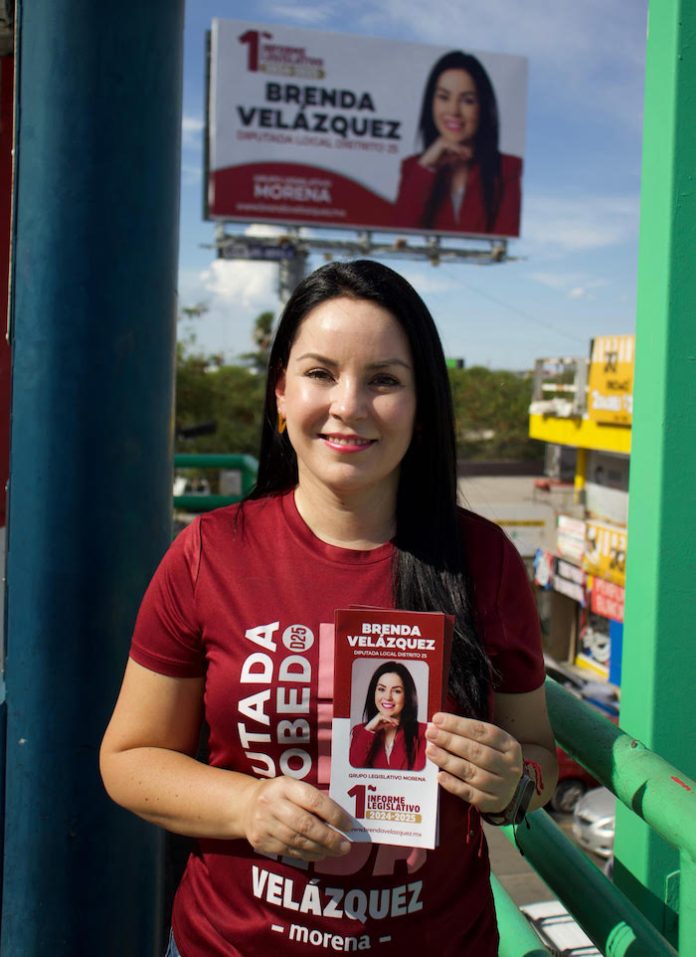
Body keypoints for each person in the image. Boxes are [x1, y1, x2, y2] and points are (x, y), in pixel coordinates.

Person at [100, 259, 558, 956]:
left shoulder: (486, 560)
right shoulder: (207, 553)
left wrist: (512, 782)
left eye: (384, 380)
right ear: (281, 395)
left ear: (422, 407)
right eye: (320, 373)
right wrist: (247, 806)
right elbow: (129, 758)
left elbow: (538, 759)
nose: (349, 404)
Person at [394, 51, 522, 235]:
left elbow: (504, 235)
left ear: (483, 107)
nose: (453, 110)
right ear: (431, 102)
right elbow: (398, 231)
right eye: (444, 97)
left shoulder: (509, 169)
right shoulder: (413, 167)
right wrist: (427, 166)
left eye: (467, 100)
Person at [349, 661, 427, 771]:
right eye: (381, 689)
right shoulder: (360, 731)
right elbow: (352, 771)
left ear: (407, 695)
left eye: (397, 691)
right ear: (374, 692)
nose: (388, 697)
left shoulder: (423, 732)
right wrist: (369, 730)